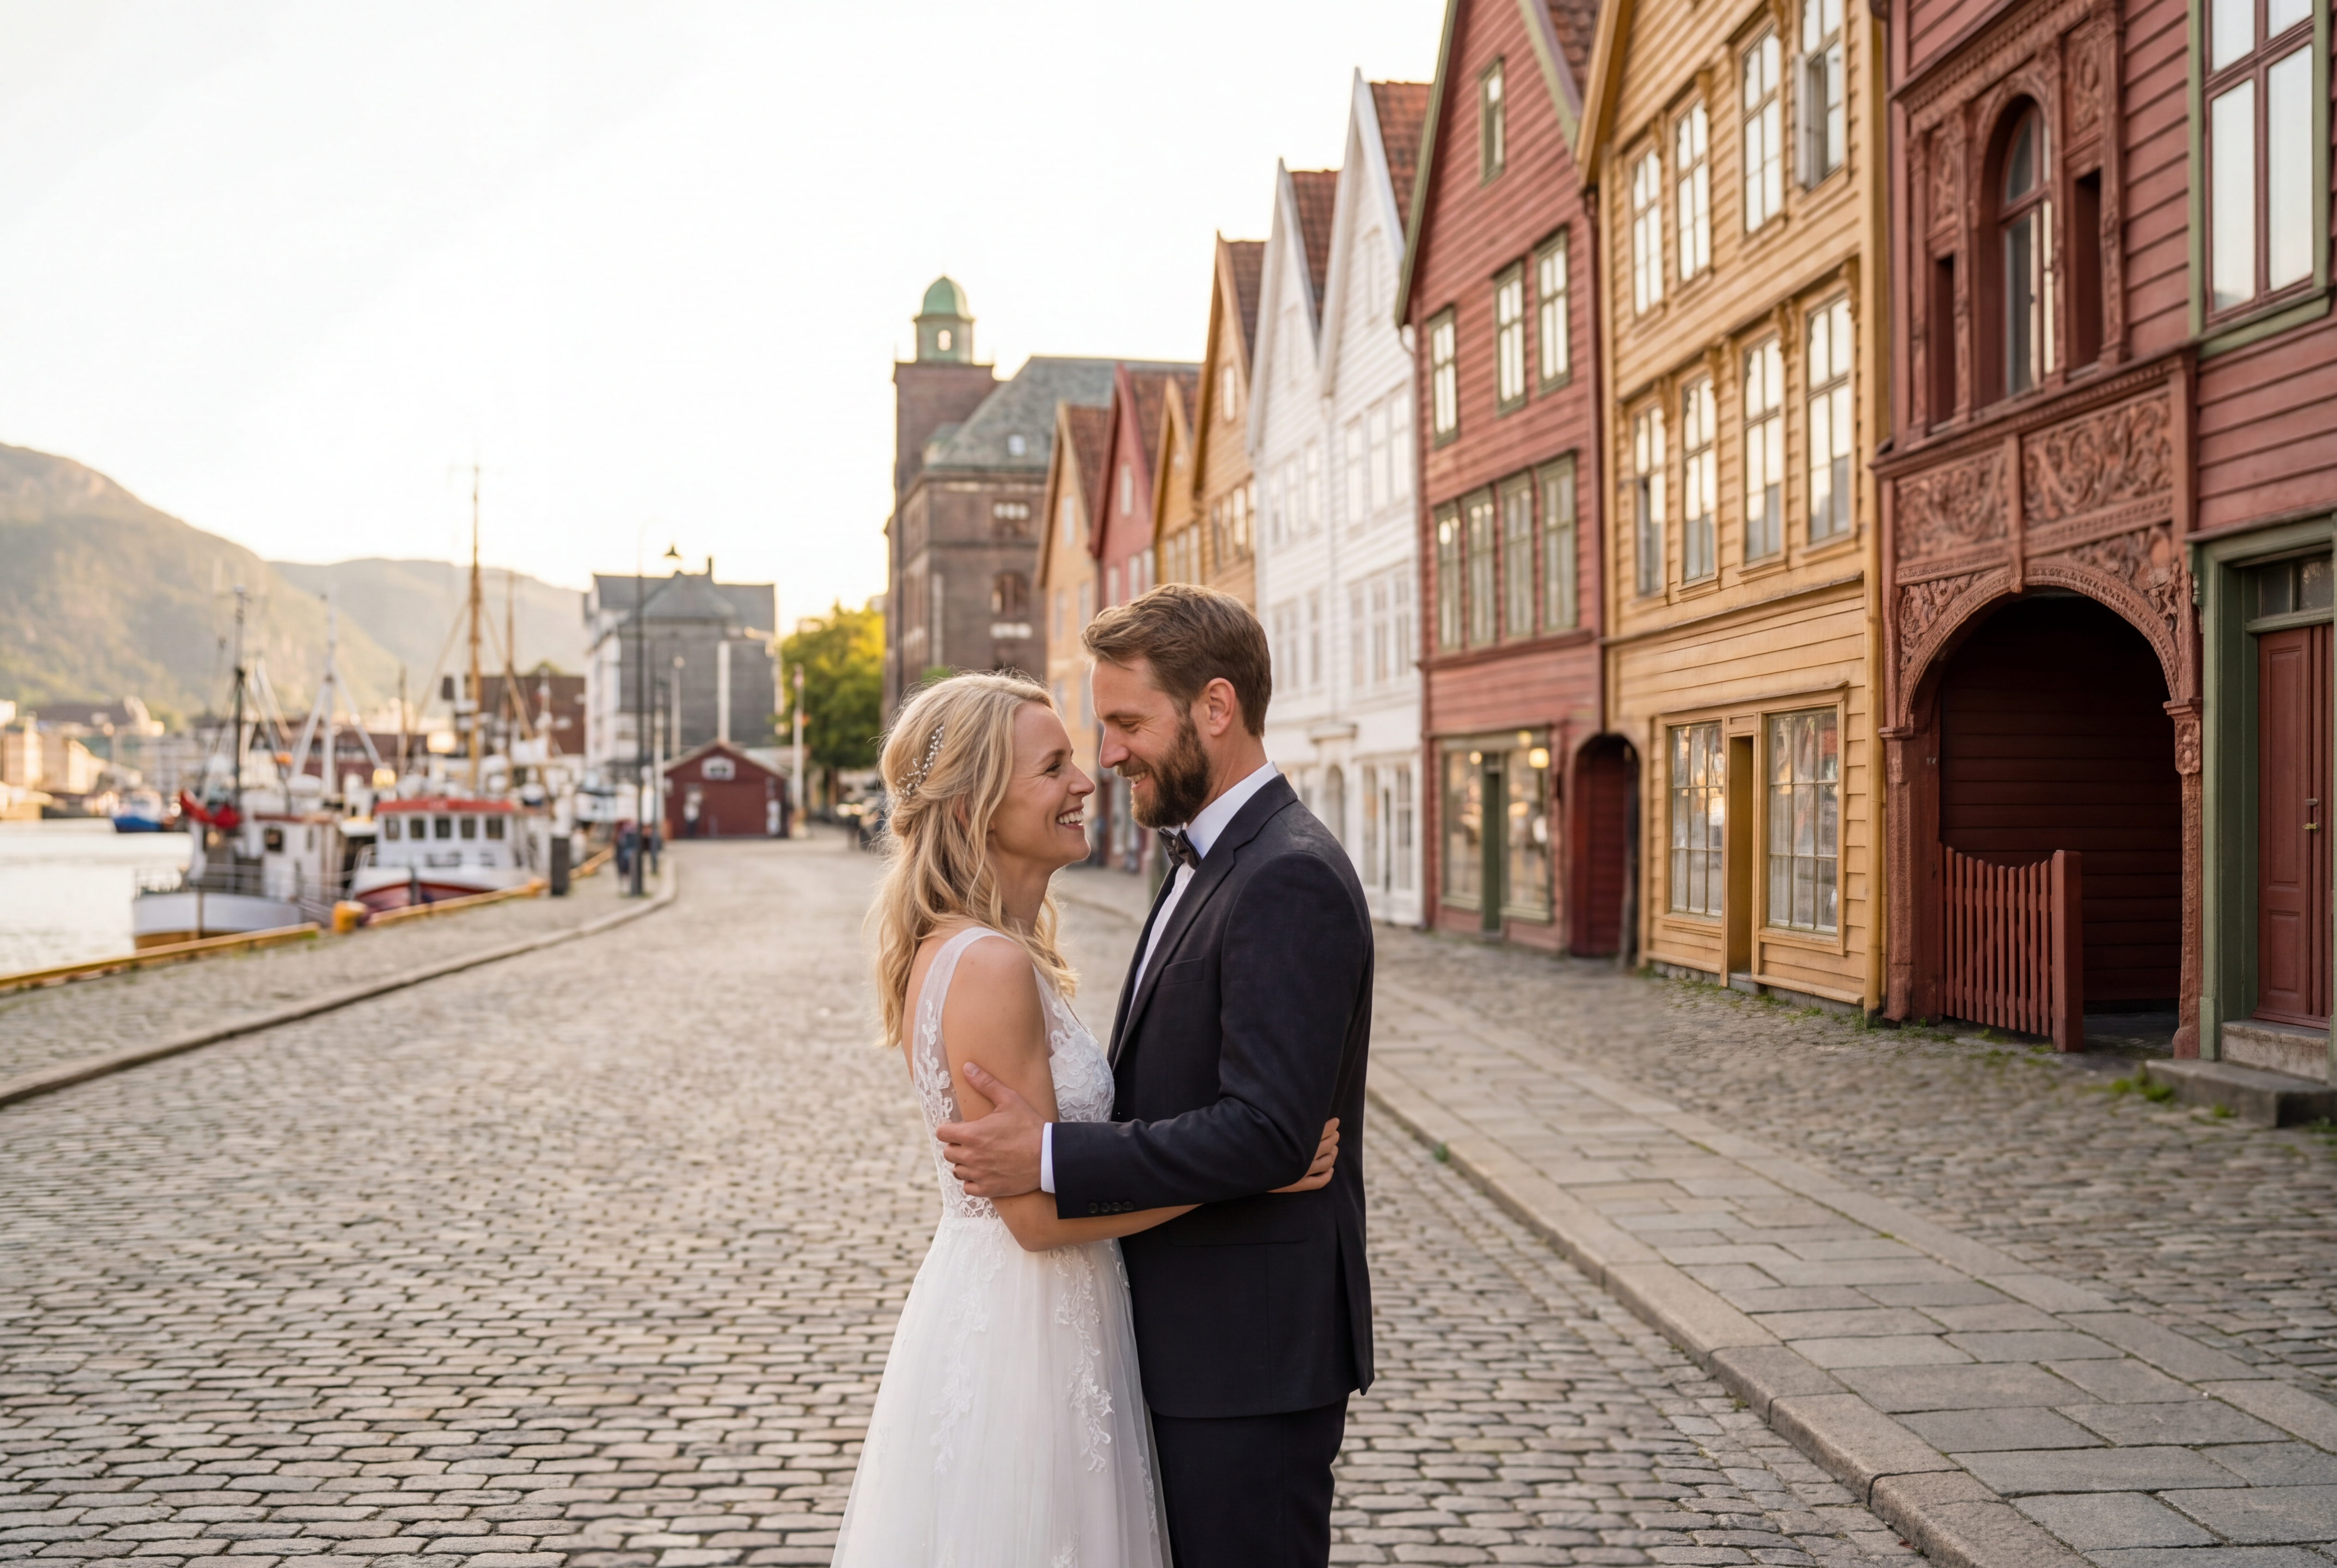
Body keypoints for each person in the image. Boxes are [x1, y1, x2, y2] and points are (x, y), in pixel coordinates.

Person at [833, 670, 1342, 1566]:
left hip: (1033, 1311)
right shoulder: (985, 964)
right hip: (1028, 1326)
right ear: (973, 808)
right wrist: (1249, 1169)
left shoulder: (979, 946)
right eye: (1053, 766)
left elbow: (1048, 1162)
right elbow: (1033, 1216)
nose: (1085, 779)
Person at [939, 584, 1376, 1568]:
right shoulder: (1203, 861)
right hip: (1186, 1350)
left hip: (1247, 1360)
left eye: (1128, 722)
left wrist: (1048, 1151)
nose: (1110, 754)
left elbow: (1268, 1131)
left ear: (1213, 709)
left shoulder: (1284, 873)